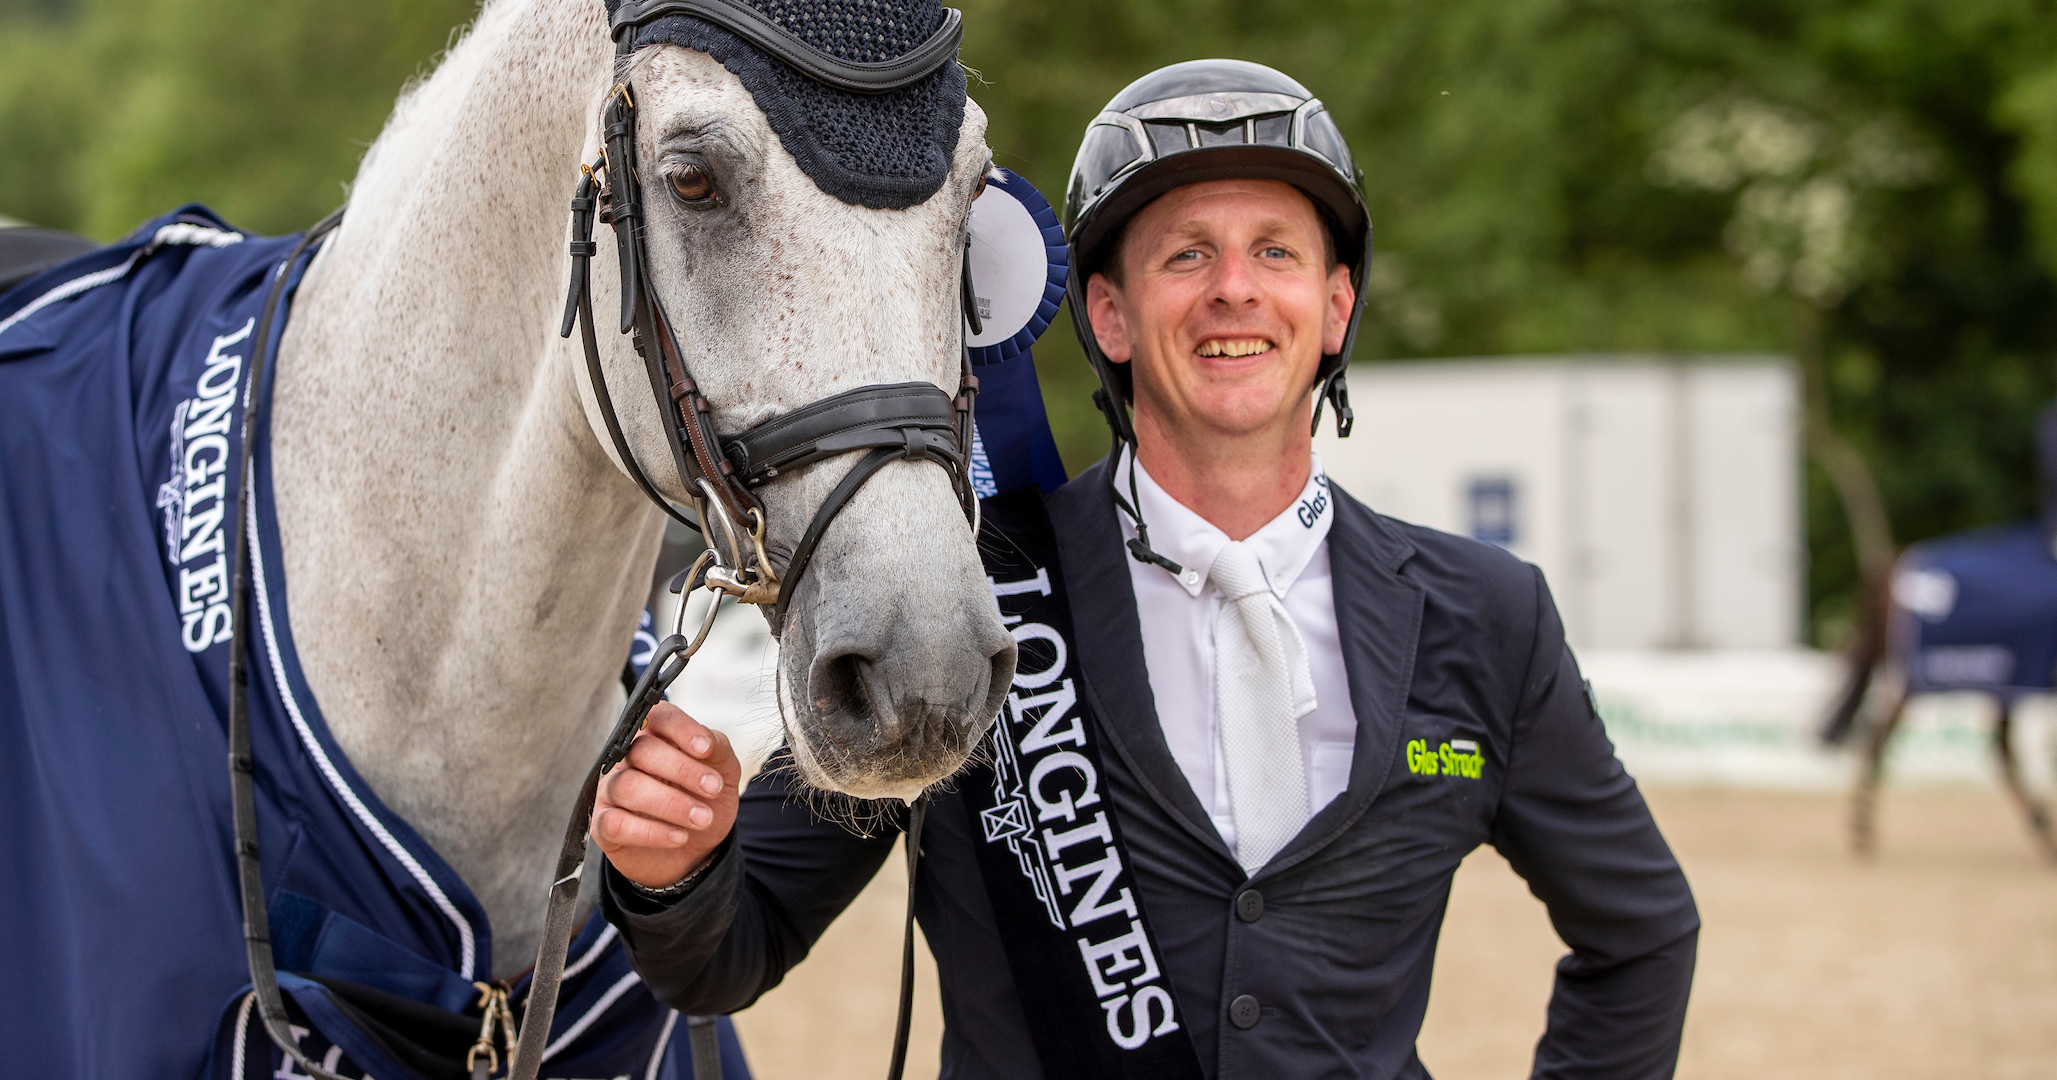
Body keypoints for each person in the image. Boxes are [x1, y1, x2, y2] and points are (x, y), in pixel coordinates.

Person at [590, 60, 1699, 1080]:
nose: (1235, 289)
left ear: (1337, 307)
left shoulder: (1489, 617)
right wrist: (673, 868)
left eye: (1277, 250)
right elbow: (734, 946)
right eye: (1186, 254)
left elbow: (1641, 929)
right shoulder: (963, 596)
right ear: (1109, 315)